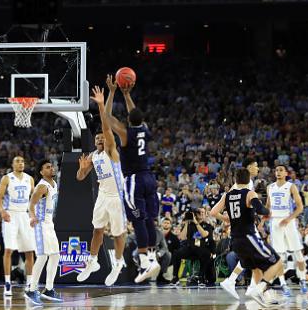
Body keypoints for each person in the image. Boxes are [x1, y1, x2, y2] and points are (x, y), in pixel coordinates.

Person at [105, 78, 160, 283]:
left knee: (137, 220)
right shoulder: (144, 129)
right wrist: (127, 94)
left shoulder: (125, 133)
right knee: (149, 220)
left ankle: (145, 262)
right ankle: (152, 258)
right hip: (149, 177)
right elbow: (135, 114)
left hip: (134, 180)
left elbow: (106, 117)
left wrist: (112, 93)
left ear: (128, 120)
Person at [76, 82, 127, 286]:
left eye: (102, 137)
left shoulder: (111, 151)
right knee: (97, 230)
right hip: (103, 196)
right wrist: (81, 168)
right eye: (97, 138)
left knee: (117, 234)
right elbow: (80, 177)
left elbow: (106, 126)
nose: (100, 139)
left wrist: (102, 103)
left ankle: (117, 263)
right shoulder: (94, 156)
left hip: (117, 197)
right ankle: (93, 261)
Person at [211, 168, 285, 307]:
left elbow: (213, 212)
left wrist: (227, 219)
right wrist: (269, 211)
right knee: (278, 263)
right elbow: (260, 209)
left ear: (235, 180)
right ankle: (260, 289)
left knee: (256, 269)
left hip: (236, 241)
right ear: (248, 179)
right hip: (249, 237)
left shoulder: (228, 195)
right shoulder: (249, 193)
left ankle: (257, 293)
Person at [220, 159, 262, 299]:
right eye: (256, 166)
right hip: (245, 225)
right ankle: (255, 288)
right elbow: (231, 199)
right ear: (249, 167)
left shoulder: (244, 183)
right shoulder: (246, 184)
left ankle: (234, 281)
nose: (258, 168)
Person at [0, 156, 36, 297]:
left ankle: (29, 284)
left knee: (29, 251)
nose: (21, 163)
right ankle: (7, 283)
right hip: (11, 215)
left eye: (23, 161)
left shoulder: (29, 179)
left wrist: (33, 215)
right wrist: (2, 211)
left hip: (24, 215)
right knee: (8, 250)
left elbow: (34, 200)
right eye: (18, 161)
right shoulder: (7, 178)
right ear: (12, 164)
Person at [25, 159, 63, 305]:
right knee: (42, 256)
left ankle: (48, 289)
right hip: (40, 224)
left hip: (49, 223)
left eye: (52, 166)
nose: (51, 168)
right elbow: (31, 204)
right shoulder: (41, 186)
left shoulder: (54, 184)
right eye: (48, 167)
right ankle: (31, 289)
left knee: (55, 255)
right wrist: (33, 217)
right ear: (41, 172)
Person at [266, 165, 308, 296]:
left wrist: (289, 219)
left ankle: (303, 279)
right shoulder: (270, 187)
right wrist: (262, 219)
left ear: (285, 173)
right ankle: (283, 284)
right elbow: (267, 207)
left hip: (288, 222)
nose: (278, 172)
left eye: (280, 170)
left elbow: (300, 207)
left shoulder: (291, 186)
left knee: (298, 255)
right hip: (275, 223)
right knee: (280, 258)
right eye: (276, 170)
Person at [170, 208, 215, 287]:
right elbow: (182, 237)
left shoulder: (207, 226)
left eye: (202, 212)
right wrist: (187, 223)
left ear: (205, 215)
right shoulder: (190, 225)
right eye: (198, 212)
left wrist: (196, 222)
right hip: (190, 248)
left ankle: (201, 277)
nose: (200, 214)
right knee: (176, 253)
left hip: (202, 248)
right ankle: (175, 277)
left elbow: (204, 234)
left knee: (206, 254)